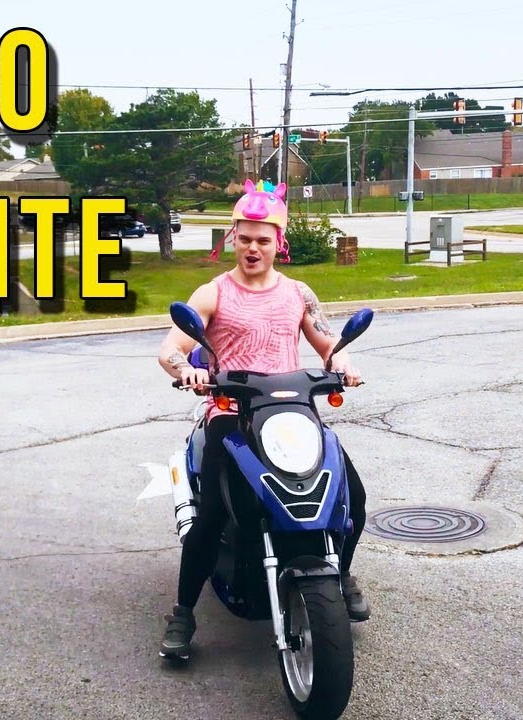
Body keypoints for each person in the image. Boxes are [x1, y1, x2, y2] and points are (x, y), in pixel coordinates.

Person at [155, 179, 370, 661]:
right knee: (213, 514)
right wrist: (187, 370)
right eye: (245, 238)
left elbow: (328, 345)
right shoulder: (212, 293)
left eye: (263, 240)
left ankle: (341, 573)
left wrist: (343, 364)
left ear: (279, 242)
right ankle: (183, 612)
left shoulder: (297, 293)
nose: (253, 248)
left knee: (352, 499)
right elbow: (170, 348)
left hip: (291, 413)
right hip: (230, 416)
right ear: (233, 237)